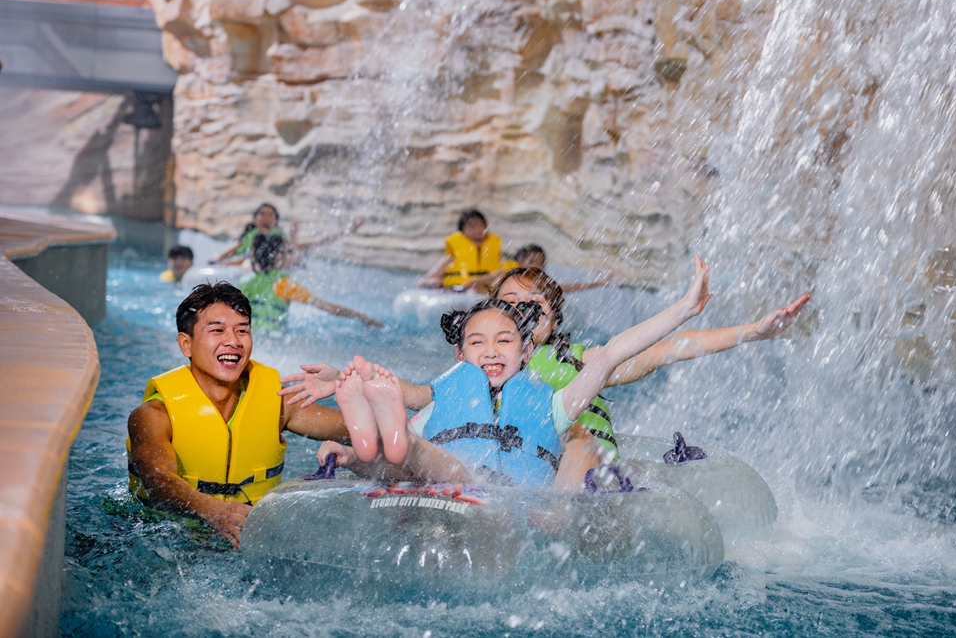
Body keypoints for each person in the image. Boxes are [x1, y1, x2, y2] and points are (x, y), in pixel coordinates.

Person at [283, 265, 809, 462]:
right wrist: (346, 379)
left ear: (551, 323)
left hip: (563, 454)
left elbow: (668, 347)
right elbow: (421, 393)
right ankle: (366, 444)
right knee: (425, 424)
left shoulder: (575, 362)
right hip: (486, 455)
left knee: (576, 436)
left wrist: (752, 331)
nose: (516, 317)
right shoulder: (472, 371)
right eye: (506, 307)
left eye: (531, 310)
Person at [291, 255, 712, 489]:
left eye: (504, 341)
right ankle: (375, 442)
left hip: (509, 492)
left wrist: (684, 308)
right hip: (450, 476)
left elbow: (612, 353)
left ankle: (391, 438)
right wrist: (347, 448)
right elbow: (410, 396)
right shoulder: (451, 393)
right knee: (419, 456)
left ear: (528, 351)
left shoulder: (551, 405)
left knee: (438, 463)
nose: (490, 351)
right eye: (477, 343)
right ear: (459, 352)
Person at [126, 283, 354, 548]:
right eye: (217, 330)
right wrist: (212, 511)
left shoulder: (278, 403)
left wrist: (352, 388)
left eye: (242, 330)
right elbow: (156, 479)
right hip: (162, 540)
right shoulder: (153, 415)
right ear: (186, 344)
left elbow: (355, 431)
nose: (233, 341)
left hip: (247, 540)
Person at [238, 234, 383, 332]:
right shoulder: (283, 284)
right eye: (288, 252)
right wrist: (361, 316)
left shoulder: (245, 281)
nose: (291, 257)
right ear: (278, 257)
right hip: (274, 337)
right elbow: (326, 307)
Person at [415, 209, 517, 291]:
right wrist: (432, 282)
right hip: (458, 299)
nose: (478, 231)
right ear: (461, 233)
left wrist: (477, 281)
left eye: (481, 225)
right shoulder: (450, 260)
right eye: (471, 226)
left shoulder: (499, 258)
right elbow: (421, 282)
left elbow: (509, 273)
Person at [513, 244, 613, 293]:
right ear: (520, 261)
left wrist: (599, 282)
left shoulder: (541, 287)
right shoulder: (508, 277)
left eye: (540, 263)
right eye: (532, 262)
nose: (536, 266)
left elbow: (571, 287)